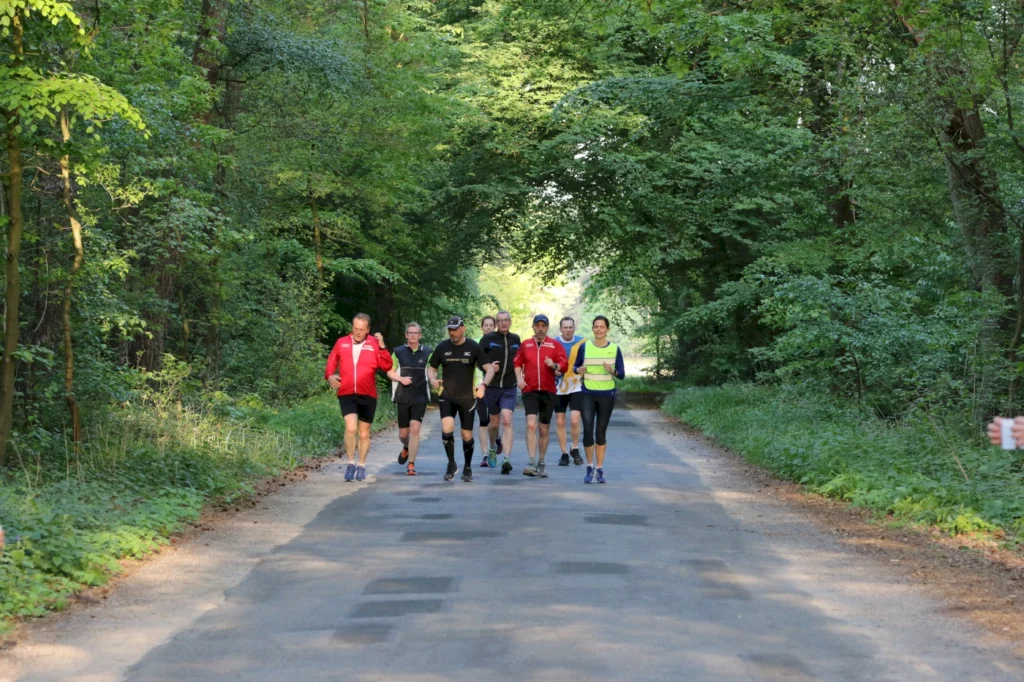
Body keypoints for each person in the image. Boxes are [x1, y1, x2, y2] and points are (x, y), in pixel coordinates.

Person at [325, 313, 394, 482]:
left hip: (368, 394)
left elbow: (387, 365)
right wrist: (329, 376)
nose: (357, 332)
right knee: (350, 428)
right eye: (355, 328)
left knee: (363, 434)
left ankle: (361, 465)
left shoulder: (374, 343)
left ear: (368, 330)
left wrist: (383, 346)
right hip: (347, 392)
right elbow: (332, 361)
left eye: (361, 330)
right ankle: (350, 463)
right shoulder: (342, 342)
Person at [428, 316, 496, 482]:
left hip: (467, 397)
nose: (453, 332)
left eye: (456, 329)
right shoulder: (442, 347)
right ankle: (451, 464)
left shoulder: (473, 346)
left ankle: (467, 467)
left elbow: (490, 369)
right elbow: (432, 368)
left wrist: (483, 386)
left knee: (466, 435)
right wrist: (432, 379)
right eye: (450, 329)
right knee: (447, 429)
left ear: (463, 328)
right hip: (447, 396)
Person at [573, 315, 626, 484]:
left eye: (602, 327)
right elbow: (575, 367)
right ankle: (589, 467)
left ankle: (600, 468)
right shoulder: (585, 347)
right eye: (596, 326)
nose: (598, 329)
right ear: (593, 329)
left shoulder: (615, 349)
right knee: (588, 430)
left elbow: (622, 374)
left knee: (600, 432)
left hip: (606, 395)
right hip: (588, 393)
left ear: (607, 329)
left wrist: (613, 371)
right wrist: (578, 369)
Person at [514, 314, 567, 478]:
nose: (540, 329)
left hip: (548, 391)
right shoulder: (526, 344)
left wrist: (554, 365)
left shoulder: (555, 345)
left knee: (543, 429)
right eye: (537, 325)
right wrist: (519, 380)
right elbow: (516, 363)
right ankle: (531, 462)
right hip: (530, 390)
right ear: (533, 327)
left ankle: (541, 462)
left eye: (543, 326)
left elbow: (564, 365)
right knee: (531, 424)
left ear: (547, 327)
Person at [387, 322, 433, 476]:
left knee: (415, 428)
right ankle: (406, 447)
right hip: (402, 395)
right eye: (410, 333)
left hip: (420, 396)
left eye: (416, 333)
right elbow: (390, 372)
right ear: (406, 335)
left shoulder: (428, 352)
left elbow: (433, 371)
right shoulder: (398, 352)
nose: (413, 335)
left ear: (420, 335)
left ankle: (411, 464)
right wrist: (400, 379)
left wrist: (434, 380)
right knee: (403, 434)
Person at [480, 310, 521, 474]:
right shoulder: (488, 339)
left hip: (510, 387)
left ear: (510, 322)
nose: (503, 323)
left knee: (507, 420)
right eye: (500, 321)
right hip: (492, 387)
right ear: (497, 323)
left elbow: (520, 359)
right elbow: (478, 359)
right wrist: (489, 366)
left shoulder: (516, 339)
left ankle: (507, 458)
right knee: (494, 423)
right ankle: (492, 447)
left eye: (506, 320)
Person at [553, 316, 585, 466]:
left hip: (576, 386)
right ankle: (564, 453)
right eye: (565, 327)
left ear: (574, 327)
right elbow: (547, 364)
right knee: (560, 421)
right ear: (560, 329)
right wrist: (553, 371)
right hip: (558, 387)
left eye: (570, 327)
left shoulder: (582, 343)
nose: (568, 330)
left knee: (574, 420)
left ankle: (575, 448)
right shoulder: (553, 343)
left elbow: (589, 361)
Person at [476, 315, 497, 467]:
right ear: (482, 327)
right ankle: (485, 454)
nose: (488, 327)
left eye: (491, 325)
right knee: (483, 420)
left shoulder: (499, 342)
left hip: (496, 386)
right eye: (486, 325)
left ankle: (497, 438)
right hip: (479, 385)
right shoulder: (475, 344)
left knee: (494, 421)